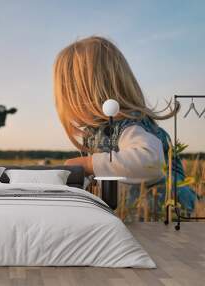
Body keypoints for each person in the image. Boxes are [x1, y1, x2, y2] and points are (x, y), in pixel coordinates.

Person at [53, 36, 197, 213]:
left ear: (85, 96)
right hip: (140, 214)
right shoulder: (97, 133)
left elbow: (150, 161)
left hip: (165, 210)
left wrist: (89, 164)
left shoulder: (128, 125)